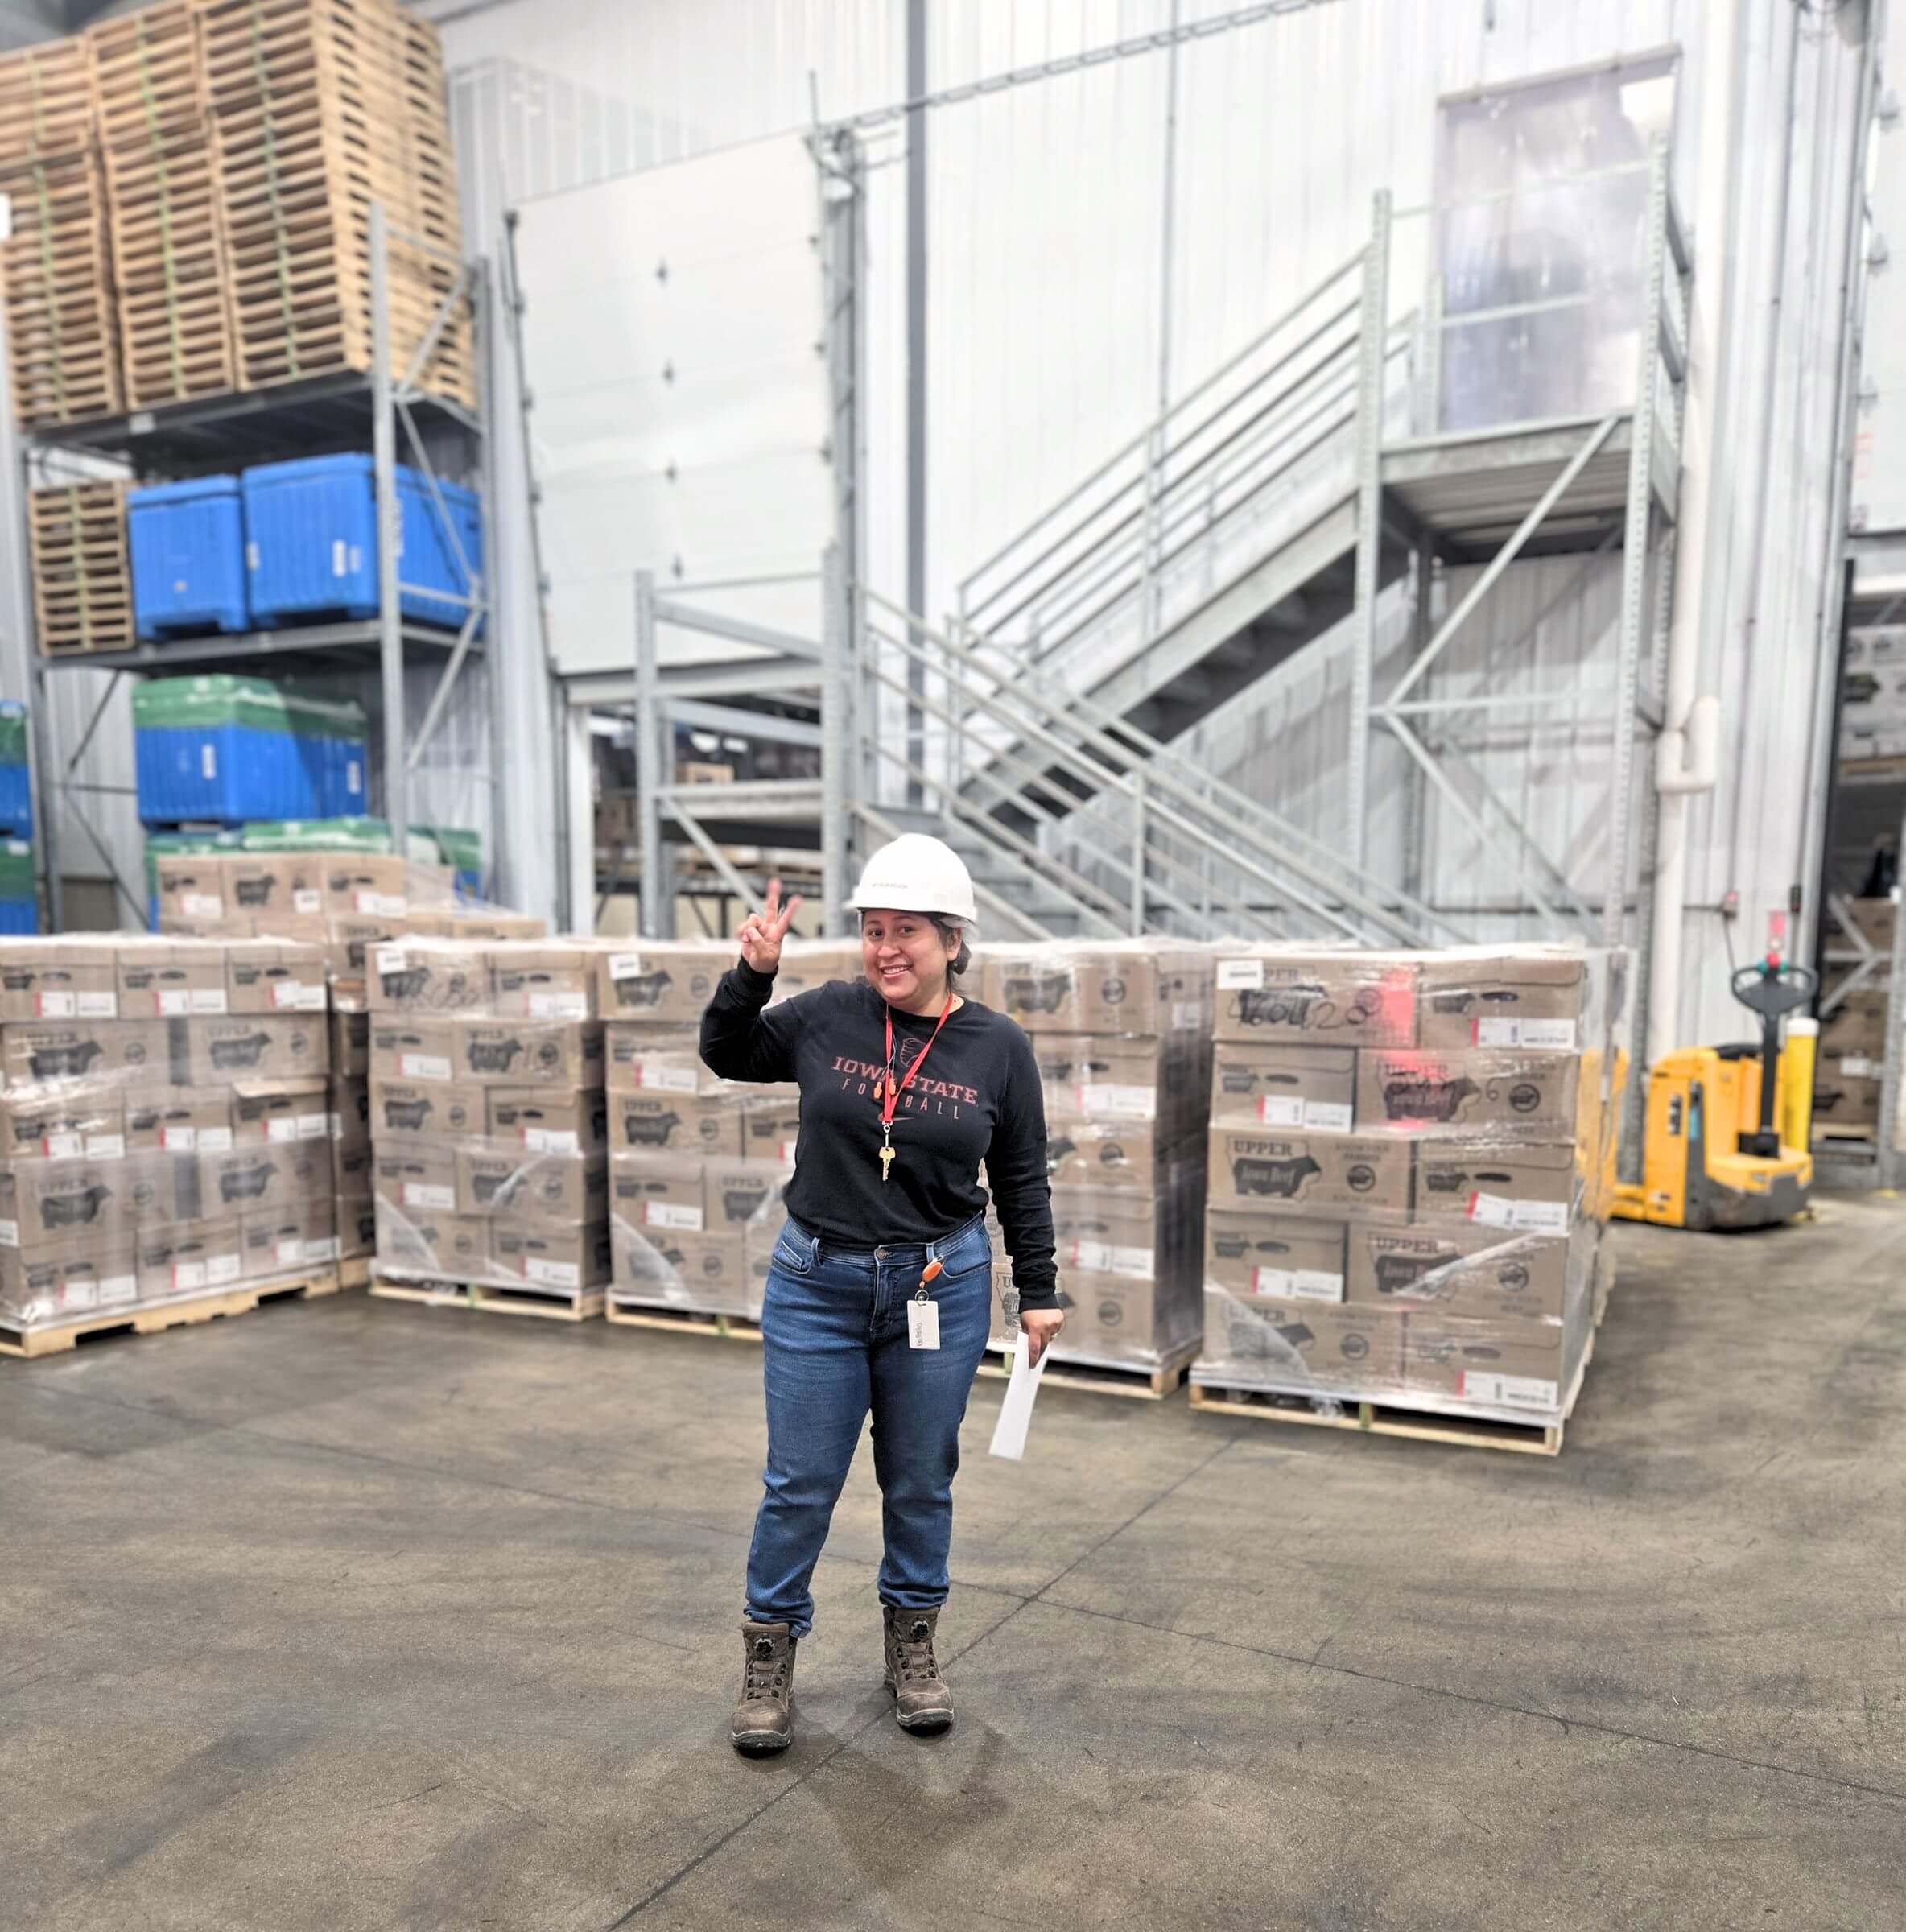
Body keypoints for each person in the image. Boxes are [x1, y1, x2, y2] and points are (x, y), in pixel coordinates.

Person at [699, 833, 1063, 1754]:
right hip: (817, 1284)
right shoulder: (827, 1015)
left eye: (906, 931)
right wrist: (752, 973)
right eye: (872, 930)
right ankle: (769, 1655)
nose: (886, 949)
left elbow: (1021, 1176)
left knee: (919, 1479)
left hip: (936, 1286)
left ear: (952, 940)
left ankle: (912, 1645)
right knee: (800, 1485)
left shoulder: (996, 1046)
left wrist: (1039, 1290)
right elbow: (728, 1053)